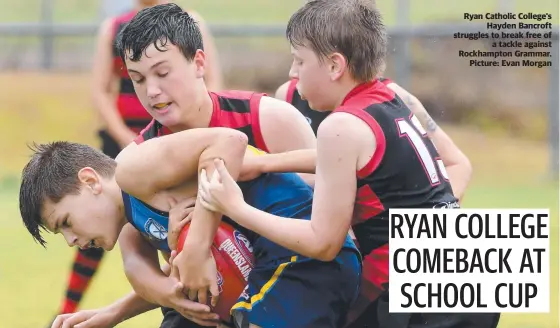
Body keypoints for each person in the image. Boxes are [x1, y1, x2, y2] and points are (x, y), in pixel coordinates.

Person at [198, 1, 500, 327]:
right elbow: (343, 161)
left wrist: (236, 207)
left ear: (334, 66)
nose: (292, 71)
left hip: (421, 294)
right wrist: (266, 164)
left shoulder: (340, 126)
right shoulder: (389, 97)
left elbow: (323, 242)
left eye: (299, 60)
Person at [53, 3, 318, 327]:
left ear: (199, 62)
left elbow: (331, 224)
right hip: (216, 311)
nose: (152, 91)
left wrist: (200, 239)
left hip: (298, 297)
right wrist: (114, 312)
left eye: (163, 73)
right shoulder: (141, 161)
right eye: (137, 79)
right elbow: (137, 261)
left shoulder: (267, 119)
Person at [19, 128, 361, 328]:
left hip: (302, 259)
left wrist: (197, 241)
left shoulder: (132, 169)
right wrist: (112, 314)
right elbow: (192, 271)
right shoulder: (135, 217)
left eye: (65, 223)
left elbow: (230, 140)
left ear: (90, 181)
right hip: (279, 265)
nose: (71, 240)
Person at [53, 0, 223, 320]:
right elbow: (101, 91)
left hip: (178, 142)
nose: (151, 87)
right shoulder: (114, 28)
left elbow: (212, 83)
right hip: (125, 145)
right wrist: (128, 143)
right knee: (96, 226)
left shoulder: (186, 22)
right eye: (139, 77)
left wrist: (193, 132)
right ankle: (66, 311)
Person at [274, 77, 473, 201]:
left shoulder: (392, 98)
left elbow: (457, 164)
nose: (293, 71)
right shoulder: (288, 96)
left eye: (300, 61)